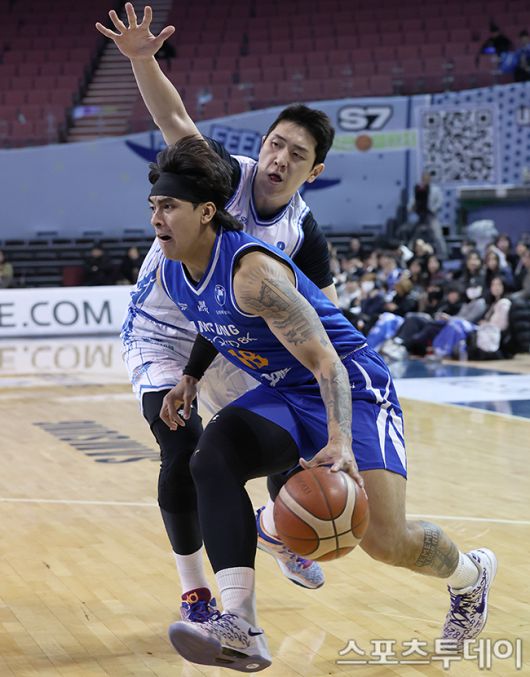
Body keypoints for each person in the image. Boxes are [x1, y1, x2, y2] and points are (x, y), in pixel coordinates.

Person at [150, 136, 496, 672]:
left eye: (169, 206)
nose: (157, 219)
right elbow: (212, 320)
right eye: (154, 206)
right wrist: (190, 377)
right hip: (288, 391)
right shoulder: (173, 269)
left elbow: (328, 362)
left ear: (206, 212)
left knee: (386, 541)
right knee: (211, 459)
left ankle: (470, 577)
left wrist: (339, 441)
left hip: (351, 384)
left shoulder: (254, 272)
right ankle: (240, 625)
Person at [96, 1, 338, 605]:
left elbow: (328, 318)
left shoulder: (303, 234)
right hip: (164, 329)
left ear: (313, 172)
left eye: (297, 155)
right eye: (276, 144)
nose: (280, 160)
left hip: (227, 336)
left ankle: (282, 528)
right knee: (181, 449)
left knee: (287, 427)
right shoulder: (225, 174)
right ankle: (195, 592)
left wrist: (337, 393)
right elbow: (174, 117)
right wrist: (142, 61)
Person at [407, 170, 447, 258]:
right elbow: (412, 201)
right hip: (420, 216)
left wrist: (433, 209)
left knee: (437, 236)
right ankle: (409, 254)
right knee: (413, 235)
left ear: (429, 179)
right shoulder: (418, 189)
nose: (425, 180)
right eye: (423, 178)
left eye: (426, 178)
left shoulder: (435, 190)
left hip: (431, 216)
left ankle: (443, 254)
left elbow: (440, 202)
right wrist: (411, 207)